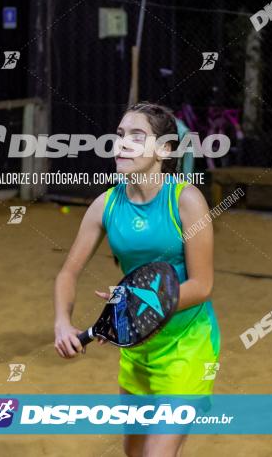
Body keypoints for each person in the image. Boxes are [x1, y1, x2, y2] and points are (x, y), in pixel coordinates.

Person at [54, 101, 220, 457]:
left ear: (165, 149)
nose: (123, 143)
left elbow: (203, 285)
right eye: (119, 135)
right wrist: (62, 323)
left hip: (187, 345)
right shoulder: (106, 205)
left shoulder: (187, 201)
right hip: (138, 343)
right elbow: (68, 272)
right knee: (134, 452)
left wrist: (137, 297)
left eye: (137, 136)